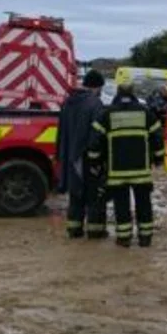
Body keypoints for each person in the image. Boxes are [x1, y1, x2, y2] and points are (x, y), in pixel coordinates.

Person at [88, 83, 165, 248]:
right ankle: (145, 238)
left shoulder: (107, 114)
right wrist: (159, 158)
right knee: (144, 204)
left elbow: (95, 140)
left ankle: (124, 238)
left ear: (117, 93)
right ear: (133, 93)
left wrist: (95, 161)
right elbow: (158, 137)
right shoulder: (145, 112)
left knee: (121, 205)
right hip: (141, 172)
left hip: (117, 172)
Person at [57, 70, 108, 239]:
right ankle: (95, 231)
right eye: (100, 88)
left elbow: (61, 131)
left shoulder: (68, 102)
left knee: (76, 194)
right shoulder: (95, 104)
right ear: (96, 86)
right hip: (89, 157)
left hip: (71, 157)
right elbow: (97, 134)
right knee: (95, 194)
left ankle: (74, 229)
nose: (100, 92)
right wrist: (98, 160)